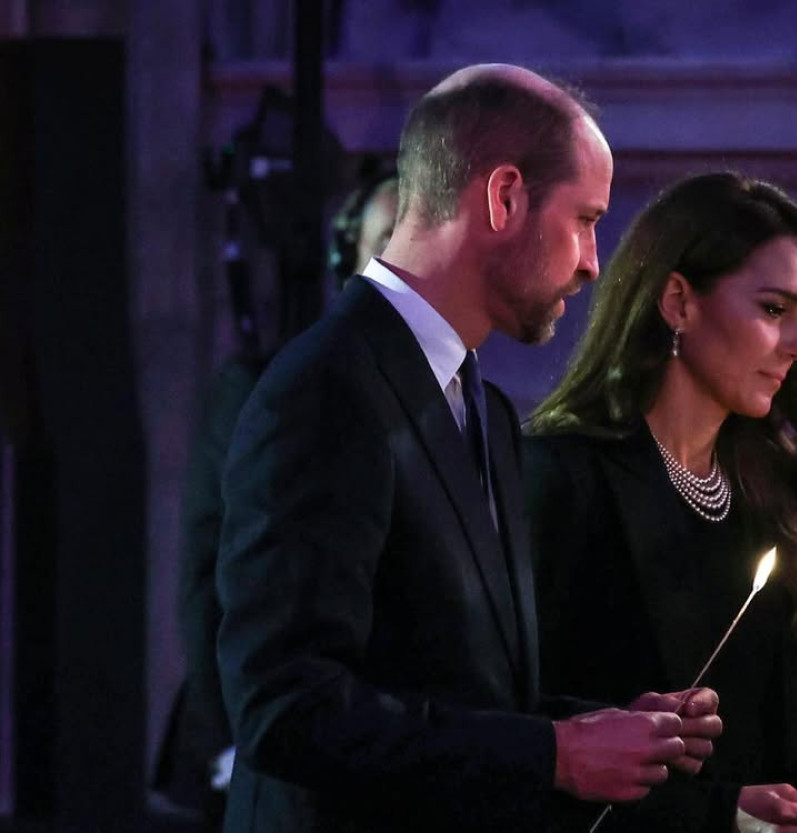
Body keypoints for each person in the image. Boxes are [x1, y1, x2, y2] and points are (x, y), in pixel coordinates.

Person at [215, 64, 722, 833]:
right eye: (584, 219)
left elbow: (467, 692)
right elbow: (285, 706)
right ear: (504, 197)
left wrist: (609, 731)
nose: (593, 262)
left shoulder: (485, 407)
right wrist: (555, 753)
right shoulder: (325, 391)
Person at [525, 171, 797, 833]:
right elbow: (523, 733)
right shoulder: (560, 476)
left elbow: (743, 746)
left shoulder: (760, 501)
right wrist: (723, 815)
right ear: (679, 302)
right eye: (773, 309)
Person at [152, 164, 401, 830]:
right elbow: (207, 577)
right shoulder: (267, 385)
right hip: (260, 747)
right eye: (385, 241)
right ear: (347, 258)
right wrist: (231, 739)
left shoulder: (441, 400)